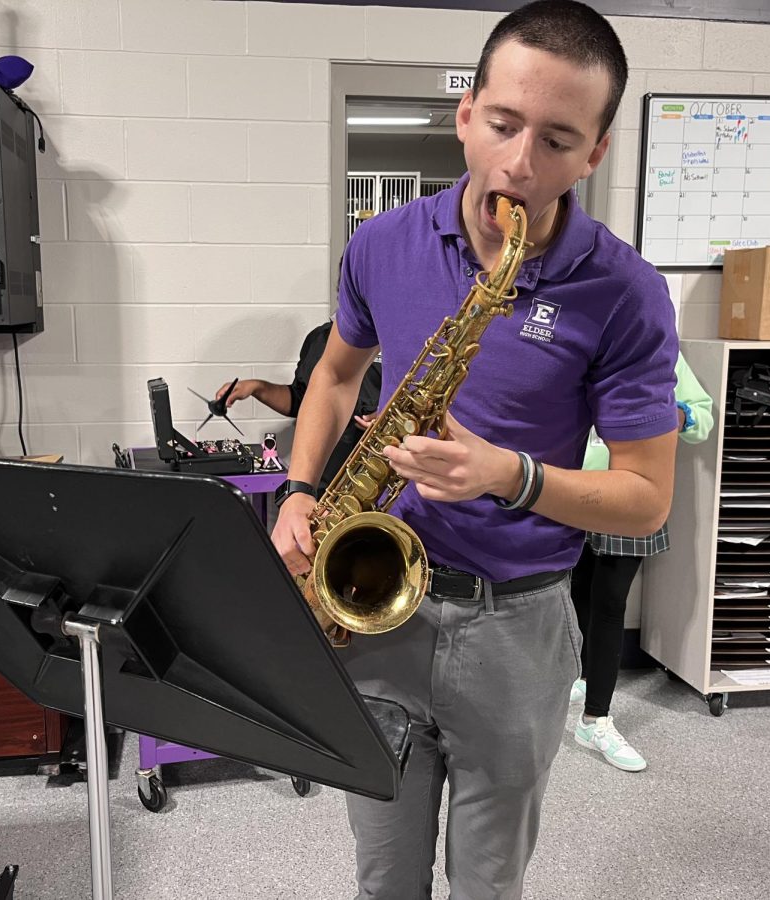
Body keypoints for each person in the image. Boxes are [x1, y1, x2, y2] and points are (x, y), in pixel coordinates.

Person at [271, 2, 680, 896]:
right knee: (383, 879)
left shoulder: (627, 292)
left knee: (487, 886)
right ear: (466, 114)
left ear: (596, 153)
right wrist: (300, 489)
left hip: (517, 629)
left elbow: (648, 496)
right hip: (374, 611)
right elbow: (337, 378)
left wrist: (509, 476)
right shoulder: (381, 243)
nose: (521, 166)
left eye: (559, 142)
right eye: (502, 125)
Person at [569, 353, 714, 772]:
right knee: (575, 589)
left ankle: (596, 719)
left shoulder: (660, 353)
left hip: (629, 494)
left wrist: (671, 415)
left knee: (612, 603)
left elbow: (701, 419)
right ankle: (580, 676)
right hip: (570, 490)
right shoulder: (577, 344)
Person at [215, 320, 382, 489]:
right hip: (326, 480)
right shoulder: (320, 337)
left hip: (380, 474)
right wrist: (257, 387)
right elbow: (302, 399)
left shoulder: (390, 338)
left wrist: (386, 416)